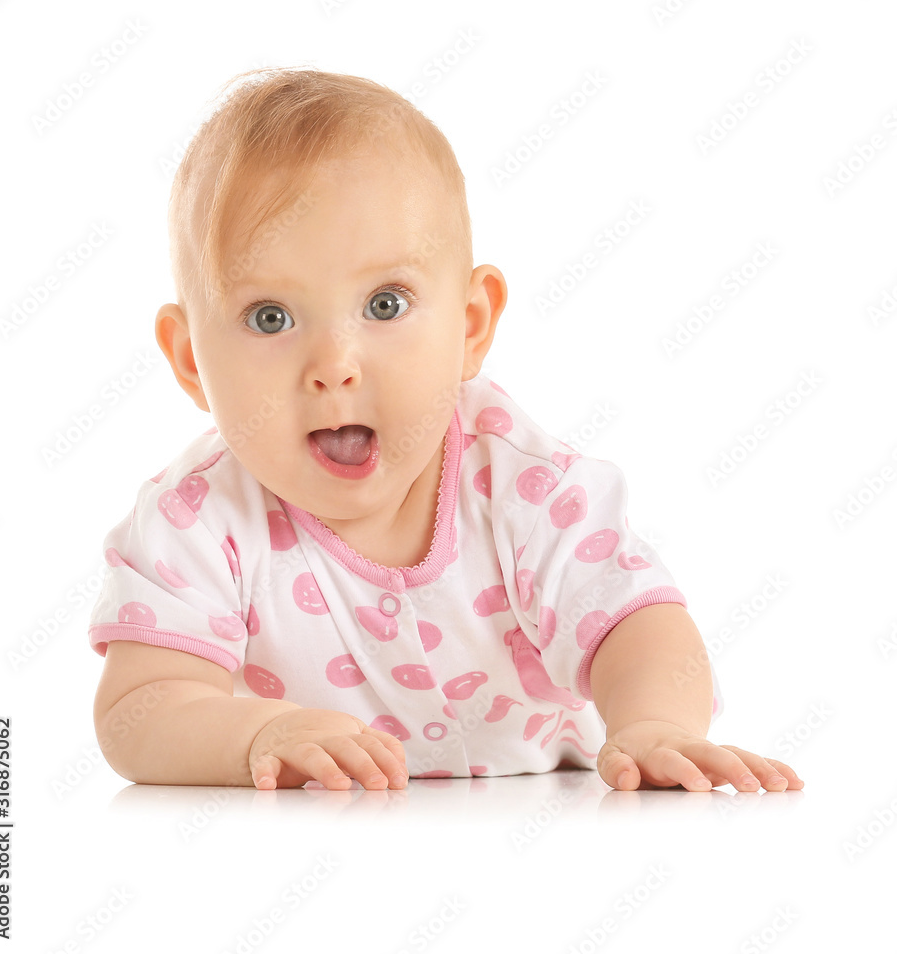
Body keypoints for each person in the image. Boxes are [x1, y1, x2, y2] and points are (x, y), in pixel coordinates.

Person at [89, 67, 803, 794]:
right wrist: (258, 735)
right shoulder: (198, 522)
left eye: (385, 304)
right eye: (269, 317)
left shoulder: (521, 485)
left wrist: (655, 725)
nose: (333, 366)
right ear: (189, 360)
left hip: (549, 811)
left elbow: (634, 621)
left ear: (470, 325)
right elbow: (137, 711)